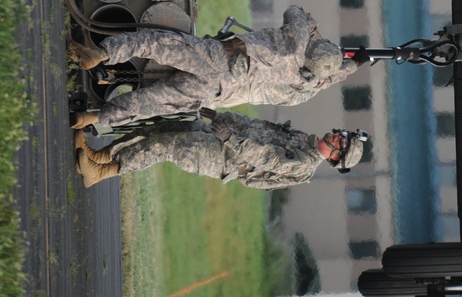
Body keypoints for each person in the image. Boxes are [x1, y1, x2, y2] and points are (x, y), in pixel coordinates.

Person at [68, 5, 367, 131]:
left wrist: (315, 31)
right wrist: (353, 65)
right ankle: (91, 118)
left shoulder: (298, 39)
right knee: (150, 103)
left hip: (218, 59)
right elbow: (321, 82)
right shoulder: (301, 89)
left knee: (157, 43)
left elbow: (296, 12)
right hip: (217, 93)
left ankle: (100, 54)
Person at [74, 110, 367, 189]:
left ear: (335, 157)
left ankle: (101, 173)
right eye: (342, 134)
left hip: (224, 157)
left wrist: (230, 138)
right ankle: (101, 155)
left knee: (164, 146)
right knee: (162, 128)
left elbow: (263, 157)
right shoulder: (304, 141)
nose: (337, 135)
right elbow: (259, 127)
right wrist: (221, 117)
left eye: (341, 142)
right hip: (223, 138)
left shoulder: (304, 164)